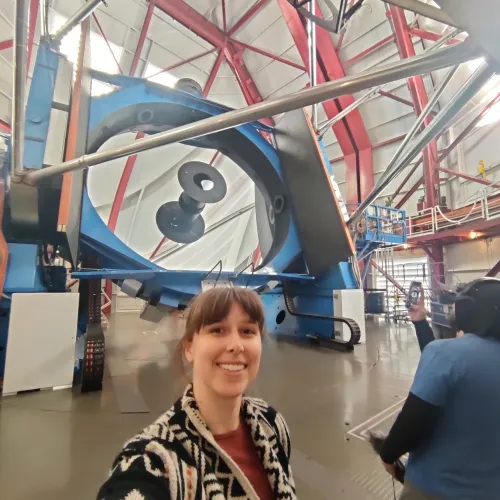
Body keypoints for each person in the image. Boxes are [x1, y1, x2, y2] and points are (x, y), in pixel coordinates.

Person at [97, 287, 296, 500]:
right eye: (217, 330)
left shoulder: (271, 424)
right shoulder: (150, 460)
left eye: (247, 331)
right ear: (189, 348)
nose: (236, 346)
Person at [379, 278, 500, 499]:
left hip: (437, 488)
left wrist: (388, 454)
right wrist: (420, 321)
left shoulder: (447, 355)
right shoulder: (451, 355)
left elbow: (412, 423)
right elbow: (446, 367)